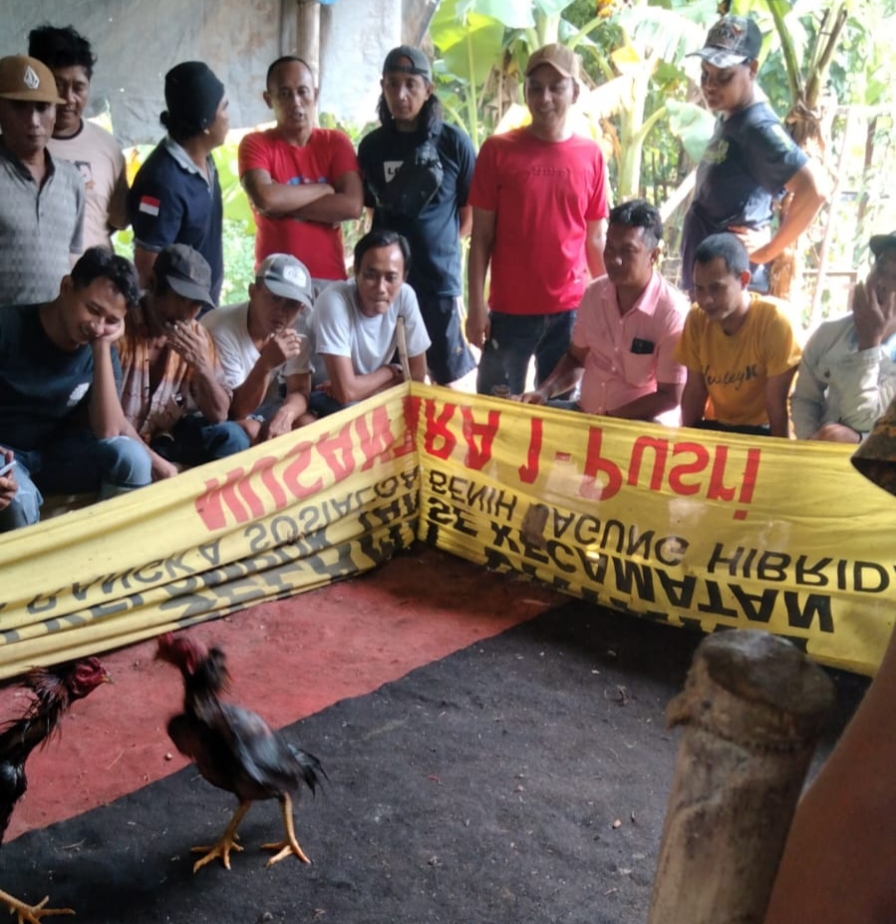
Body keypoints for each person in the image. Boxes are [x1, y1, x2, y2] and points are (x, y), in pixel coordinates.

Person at [467, 43, 608, 396]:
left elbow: (595, 239)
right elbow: (480, 237)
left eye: (556, 87)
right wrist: (474, 307)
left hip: (570, 313)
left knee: (561, 414)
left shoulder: (591, 155)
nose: (544, 97)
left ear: (574, 92)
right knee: (496, 413)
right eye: (535, 87)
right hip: (508, 311)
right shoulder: (497, 151)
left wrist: (609, 308)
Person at [0, 247, 151, 532]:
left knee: (133, 459)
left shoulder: (100, 349)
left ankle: (107, 559)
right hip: (5, 455)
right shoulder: (8, 327)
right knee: (17, 499)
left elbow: (108, 432)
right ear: (67, 287)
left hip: (58, 457)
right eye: (93, 310)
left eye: (111, 320)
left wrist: (103, 346)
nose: (97, 326)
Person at [680, 15, 826, 294]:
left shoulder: (757, 127)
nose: (710, 85)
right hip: (711, 287)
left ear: (753, 69)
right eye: (705, 74)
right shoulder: (731, 117)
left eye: (724, 77)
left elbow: (815, 189)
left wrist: (769, 249)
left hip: (731, 293)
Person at [357, 46, 476, 387]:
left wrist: (440, 249)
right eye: (392, 84)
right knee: (393, 376)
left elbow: (468, 216)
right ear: (383, 86)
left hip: (438, 283)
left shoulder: (453, 143)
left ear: (429, 88)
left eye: (411, 84)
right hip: (386, 285)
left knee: (450, 379)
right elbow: (370, 211)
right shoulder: (372, 147)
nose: (401, 94)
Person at [520, 199, 688, 422]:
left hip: (639, 428)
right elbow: (576, 359)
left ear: (654, 256)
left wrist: (610, 420)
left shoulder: (671, 312)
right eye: (610, 248)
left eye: (628, 251)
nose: (614, 260)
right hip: (586, 414)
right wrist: (543, 392)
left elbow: (670, 396)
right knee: (520, 418)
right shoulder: (593, 294)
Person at [117, 244, 249, 477]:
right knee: (126, 455)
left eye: (196, 304)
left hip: (163, 438)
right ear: (155, 285)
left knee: (233, 437)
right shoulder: (119, 326)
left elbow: (219, 414)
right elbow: (107, 421)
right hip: (121, 439)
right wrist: (158, 464)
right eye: (181, 299)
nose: (188, 313)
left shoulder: (197, 336)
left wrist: (203, 368)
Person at [238, 56, 363, 284]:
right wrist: (325, 188)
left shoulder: (336, 143)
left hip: (328, 281)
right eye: (284, 93)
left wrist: (282, 205)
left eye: (303, 92)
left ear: (315, 94)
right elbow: (266, 198)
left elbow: (352, 206)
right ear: (268, 99)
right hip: (275, 283)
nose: (296, 102)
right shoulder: (255, 144)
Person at [675, 233, 801, 437]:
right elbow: (694, 393)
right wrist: (685, 445)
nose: (706, 300)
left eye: (716, 288)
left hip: (766, 430)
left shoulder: (775, 322)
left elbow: (777, 406)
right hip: (720, 428)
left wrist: (780, 462)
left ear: (744, 280)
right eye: (700, 289)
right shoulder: (697, 319)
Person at [128, 62, 228, 305]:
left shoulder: (204, 156)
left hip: (203, 308)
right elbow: (146, 267)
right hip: (179, 319)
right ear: (205, 125)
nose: (228, 116)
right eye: (224, 108)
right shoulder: (162, 182)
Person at [28, 24, 129, 251]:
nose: (68, 98)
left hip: (95, 282)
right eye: (58, 85)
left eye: (79, 87)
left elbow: (116, 220)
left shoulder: (108, 149)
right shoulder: (15, 146)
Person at [310, 229, 430, 417]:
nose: (381, 288)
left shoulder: (405, 296)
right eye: (371, 275)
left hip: (363, 394)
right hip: (318, 392)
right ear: (355, 271)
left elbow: (417, 378)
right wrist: (390, 372)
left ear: (404, 277)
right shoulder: (334, 301)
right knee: (359, 416)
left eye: (391, 278)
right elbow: (345, 393)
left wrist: (363, 392)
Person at [792, 231, 896, 442]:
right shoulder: (829, 334)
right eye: (880, 268)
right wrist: (812, 442)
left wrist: (869, 344)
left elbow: (861, 419)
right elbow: (805, 399)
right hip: (820, 457)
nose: (882, 283)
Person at [202, 253, 317, 443]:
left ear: (301, 309)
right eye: (274, 298)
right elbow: (236, 411)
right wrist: (266, 363)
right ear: (253, 292)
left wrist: (286, 414)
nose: (281, 311)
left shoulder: (297, 328)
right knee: (251, 430)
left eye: (292, 304)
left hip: (262, 406)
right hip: (208, 413)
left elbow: (300, 390)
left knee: (307, 424)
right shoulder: (221, 329)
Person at [0, 54, 84, 307]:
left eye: (42, 107)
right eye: (19, 107)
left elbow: (71, 259)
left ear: (55, 112)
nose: (34, 121)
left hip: (54, 337)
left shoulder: (71, 180)